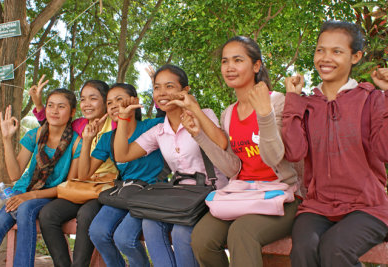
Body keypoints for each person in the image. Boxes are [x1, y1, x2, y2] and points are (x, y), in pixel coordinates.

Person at [282, 20, 388, 266]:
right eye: (321, 50)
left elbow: (385, 149)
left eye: (336, 51)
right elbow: (295, 152)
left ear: (356, 56)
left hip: (367, 206)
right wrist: (292, 101)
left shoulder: (371, 98)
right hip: (318, 206)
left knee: (335, 249)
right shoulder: (307, 104)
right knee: (303, 249)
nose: (325, 58)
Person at [190, 36, 300, 267]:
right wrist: (199, 135)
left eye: (237, 60)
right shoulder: (228, 113)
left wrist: (264, 115)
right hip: (244, 194)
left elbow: (274, 157)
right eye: (224, 61)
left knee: (242, 232)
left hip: (284, 196)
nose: (229, 67)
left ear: (256, 65)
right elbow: (233, 168)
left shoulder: (278, 102)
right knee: (201, 239)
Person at [114, 64, 229, 267]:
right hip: (181, 197)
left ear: (185, 90)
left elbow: (221, 143)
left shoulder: (204, 114)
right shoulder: (159, 131)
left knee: (181, 232)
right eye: (157, 87)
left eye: (169, 86)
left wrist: (193, 109)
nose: (162, 93)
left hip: (212, 194)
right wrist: (123, 117)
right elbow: (122, 155)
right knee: (150, 224)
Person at [0, 88, 81, 267]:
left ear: (72, 112)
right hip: (22, 191)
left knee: (25, 209)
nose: (54, 111)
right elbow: (15, 174)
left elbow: (69, 187)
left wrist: (30, 196)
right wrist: (7, 139)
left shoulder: (77, 142)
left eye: (61, 106)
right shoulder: (35, 135)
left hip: (50, 196)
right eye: (51, 105)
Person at [35, 79, 118, 267]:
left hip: (105, 187)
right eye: (82, 99)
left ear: (106, 101)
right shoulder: (79, 124)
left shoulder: (114, 124)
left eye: (93, 98)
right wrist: (39, 104)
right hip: (80, 185)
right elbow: (53, 123)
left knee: (86, 215)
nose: (87, 104)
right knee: (48, 214)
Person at [87, 83, 164, 267]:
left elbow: (173, 116)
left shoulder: (153, 126)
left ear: (134, 101)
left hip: (151, 192)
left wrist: (159, 92)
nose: (114, 105)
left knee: (125, 238)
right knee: (97, 232)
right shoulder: (107, 138)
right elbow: (86, 172)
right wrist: (88, 139)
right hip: (125, 192)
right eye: (109, 102)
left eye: (119, 99)